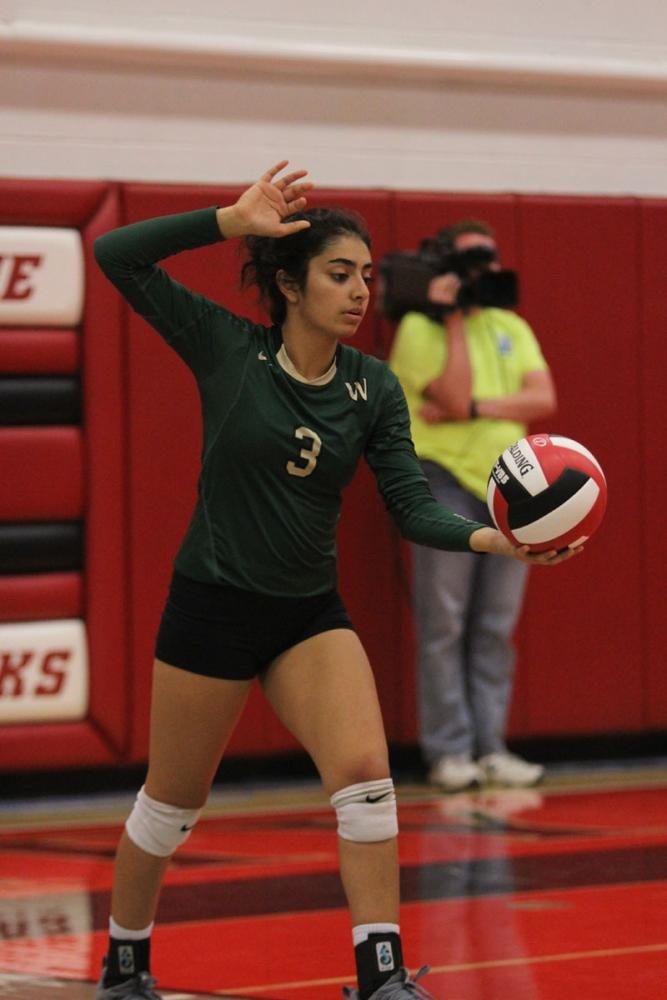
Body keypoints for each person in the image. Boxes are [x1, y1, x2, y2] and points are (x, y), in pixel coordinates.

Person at [93, 164, 575, 1000]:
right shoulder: (225, 348)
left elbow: (411, 506)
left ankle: (379, 976)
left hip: (306, 614)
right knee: (171, 805)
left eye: (364, 275)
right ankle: (126, 961)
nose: (358, 291)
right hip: (211, 607)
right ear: (289, 283)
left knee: (365, 777)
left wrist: (492, 539)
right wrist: (230, 220)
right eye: (338, 274)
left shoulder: (373, 386)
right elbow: (114, 254)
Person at [389, 219, 558, 794]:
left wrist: (479, 406)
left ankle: (492, 748)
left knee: (494, 625)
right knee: (445, 621)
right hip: (445, 482)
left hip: (513, 485)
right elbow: (450, 393)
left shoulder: (512, 324)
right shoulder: (417, 329)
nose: (480, 273)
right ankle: (450, 751)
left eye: (488, 260)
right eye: (469, 263)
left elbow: (543, 397)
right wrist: (453, 320)